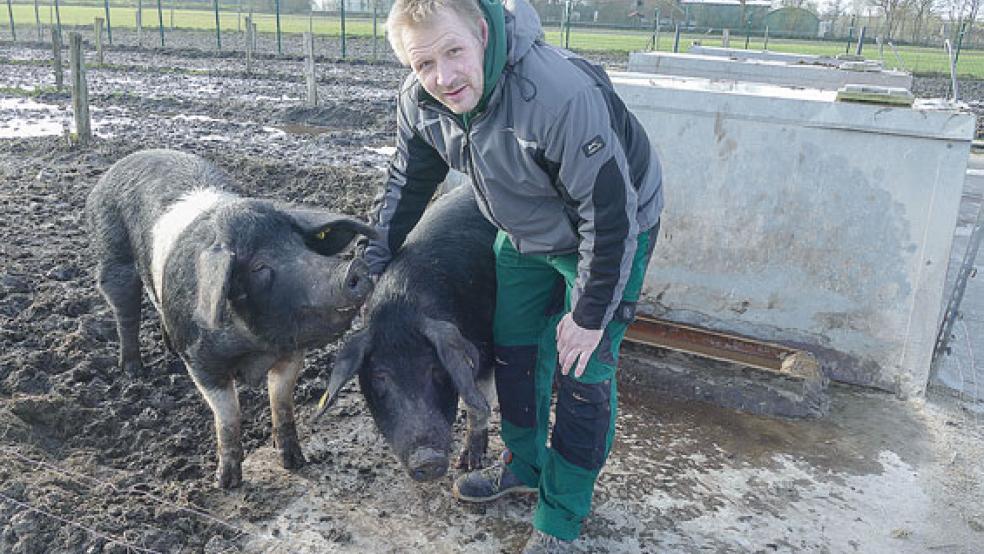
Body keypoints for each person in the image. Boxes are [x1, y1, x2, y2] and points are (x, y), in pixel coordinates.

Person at [364, 0, 663, 551]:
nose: (443, 76)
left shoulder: (555, 96)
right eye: (422, 64)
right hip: (523, 231)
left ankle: (561, 521)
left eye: (453, 51)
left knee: (583, 374)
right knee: (515, 355)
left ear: (481, 33)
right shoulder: (422, 103)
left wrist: (590, 312)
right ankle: (523, 465)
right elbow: (407, 186)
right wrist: (369, 263)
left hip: (611, 230)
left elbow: (610, 212)